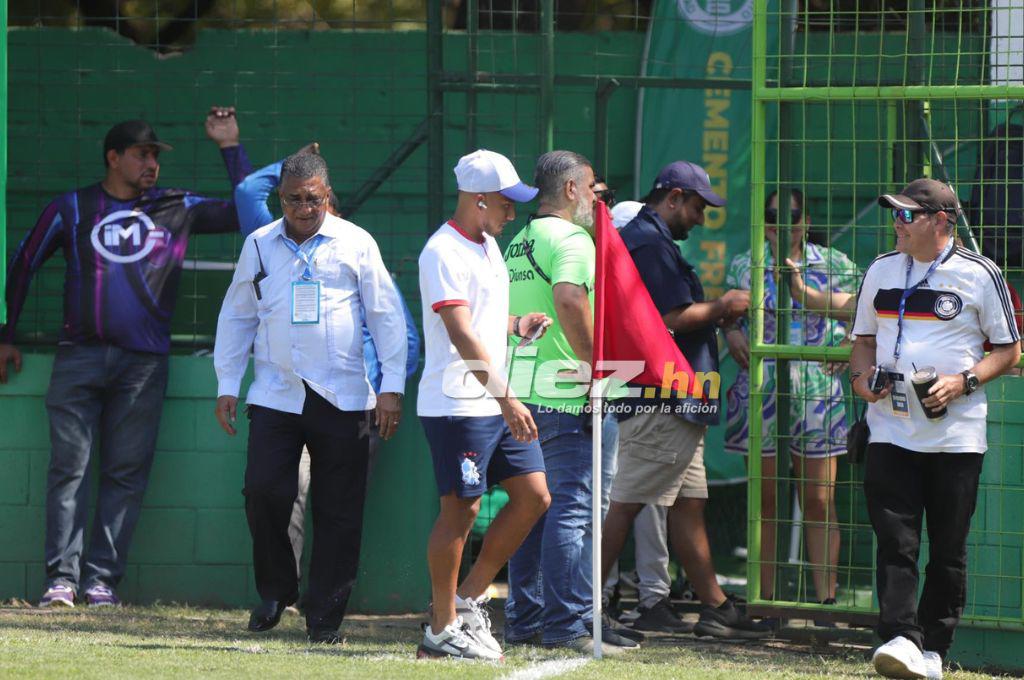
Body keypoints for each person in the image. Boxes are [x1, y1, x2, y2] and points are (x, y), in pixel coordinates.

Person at [0, 108, 251, 608]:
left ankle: (101, 582)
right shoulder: (71, 208)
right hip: (78, 357)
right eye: (142, 154)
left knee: (125, 472)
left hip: (144, 365)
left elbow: (246, 214)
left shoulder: (176, 206)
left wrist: (230, 147)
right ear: (113, 158)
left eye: (155, 155)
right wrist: (5, 334)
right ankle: (61, 582)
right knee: (69, 468)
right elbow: (24, 261)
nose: (151, 163)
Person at [212, 152, 408, 644]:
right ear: (281, 198)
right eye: (295, 199)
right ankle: (278, 590)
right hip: (276, 391)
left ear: (327, 194)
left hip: (343, 393)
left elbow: (385, 316)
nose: (304, 208)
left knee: (339, 510)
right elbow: (237, 315)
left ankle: (324, 618)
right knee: (264, 492)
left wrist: (391, 387)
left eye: (313, 199)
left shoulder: (356, 242)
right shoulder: (260, 244)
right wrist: (226, 384)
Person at [851, 179, 1021, 680]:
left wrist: (962, 381)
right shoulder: (880, 269)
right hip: (889, 430)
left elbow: (1009, 351)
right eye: (895, 215)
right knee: (894, 543)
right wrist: (863, 380)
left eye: (907, 216)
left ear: (942, 221)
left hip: (956, 437)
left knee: (947, 550)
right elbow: (862, 340)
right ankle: (902, 639)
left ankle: (934, 650)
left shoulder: (979, 274)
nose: (896, 224)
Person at [601, 160, 770, 640]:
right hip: (662, 397)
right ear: (673, 197)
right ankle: (582, 604)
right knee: (628, 503)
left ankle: (714, 606)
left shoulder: (651, 240)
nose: (700, 218)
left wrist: (718, 316)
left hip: (679, 397)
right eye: (697, 207)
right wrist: (722, 308)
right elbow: (666, 320)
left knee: (688, 504)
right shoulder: (650, 242)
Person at [416, 149, 552, 660]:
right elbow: (461, 337)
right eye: (505, 203)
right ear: (478, 200)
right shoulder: (441, 252)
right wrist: (510, 400)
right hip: (458, 405)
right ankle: (441, 629)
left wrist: (518, 327)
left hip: (491, 403)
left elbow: (484, 323)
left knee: (535, 497)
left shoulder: (489, 246)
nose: (512, 213)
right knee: (461, 513)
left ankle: (467, 599)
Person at [503, 151, 640, 655]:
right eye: (590, 187)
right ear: (570, 190)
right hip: (569, 393)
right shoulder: (572, 239)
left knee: (532, 509)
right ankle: (569, 625)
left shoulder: (519, 240)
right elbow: (567, 298)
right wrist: (595, 371)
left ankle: (526, 620)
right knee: (574, 511)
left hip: (525, 391)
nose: (595, 199)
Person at [723, 189, 860, 610]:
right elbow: (730, 313)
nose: (783, 225)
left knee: (819, 499)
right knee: (765, 499)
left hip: (818, 390)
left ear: (807, 218)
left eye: (793, 215)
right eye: (773, 216)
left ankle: (825, 603)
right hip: (762, 388)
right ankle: (765, 600)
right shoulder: (746, 263)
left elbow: (866, 315)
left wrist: (851, 345)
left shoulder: (835, 263)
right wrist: (732, 333)